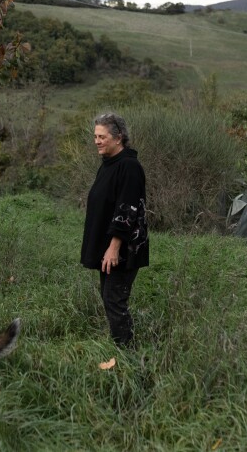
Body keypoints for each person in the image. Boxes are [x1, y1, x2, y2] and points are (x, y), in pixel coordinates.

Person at [80, 113, 149, 347]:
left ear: (118, 138)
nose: (97, 141)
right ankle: (121, 348)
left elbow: (127, 210)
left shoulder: (129, 167)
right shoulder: (109, 165)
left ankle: (127, 353)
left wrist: (113, 248)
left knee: (114, 300)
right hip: (108, 248)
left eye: (102, 137)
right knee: (110, 298)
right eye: (95, 136)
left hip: (122, 249)